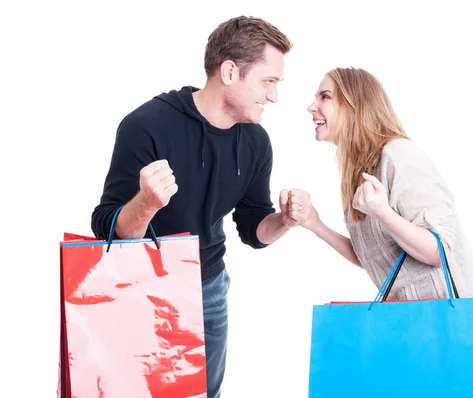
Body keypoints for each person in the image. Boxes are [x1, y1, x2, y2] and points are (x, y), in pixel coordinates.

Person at [91, 16, 313, 398]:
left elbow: (252, 227)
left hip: (208, 286)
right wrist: (146, 204)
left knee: (203, 393)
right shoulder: (146, 125)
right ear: (230, 71)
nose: (274, 97)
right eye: (269, 82)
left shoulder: (256, 141)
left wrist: (284, 221)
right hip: (142, 287)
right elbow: (107, 228)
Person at [301, 67, 473, 300]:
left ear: (354, 105)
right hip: (411, 322)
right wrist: (315, 224)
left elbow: (439, 251)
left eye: (325, 97)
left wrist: (382, 213)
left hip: (454, 325)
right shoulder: (360, 171)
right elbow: (372, 257)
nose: (311, 107)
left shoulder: (398, 155)